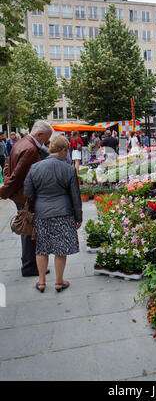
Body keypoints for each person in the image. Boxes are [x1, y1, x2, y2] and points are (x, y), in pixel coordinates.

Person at [24, 135, 82, 293]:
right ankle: (59, 281)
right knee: (60, 249)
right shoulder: (69, 169)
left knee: (41, 248)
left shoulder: (35, 167)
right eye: (67, 151)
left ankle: (41, 282)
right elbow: (75, 196)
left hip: (42, 213)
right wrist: (79, 217)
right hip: (63, 213)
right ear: (63, 150)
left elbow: (27, 192)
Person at [0, 120, 53, 277]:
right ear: (39, 134)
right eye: (46, 138)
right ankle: (30, 266)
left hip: (21, 195)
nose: (46, 142)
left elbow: (8, 167)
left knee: (28, 229)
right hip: (26, 196)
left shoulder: (22, 142)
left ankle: (30, 264)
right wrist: (4, 192)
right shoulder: (30, 149)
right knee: (30, 231)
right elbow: (17, 175)